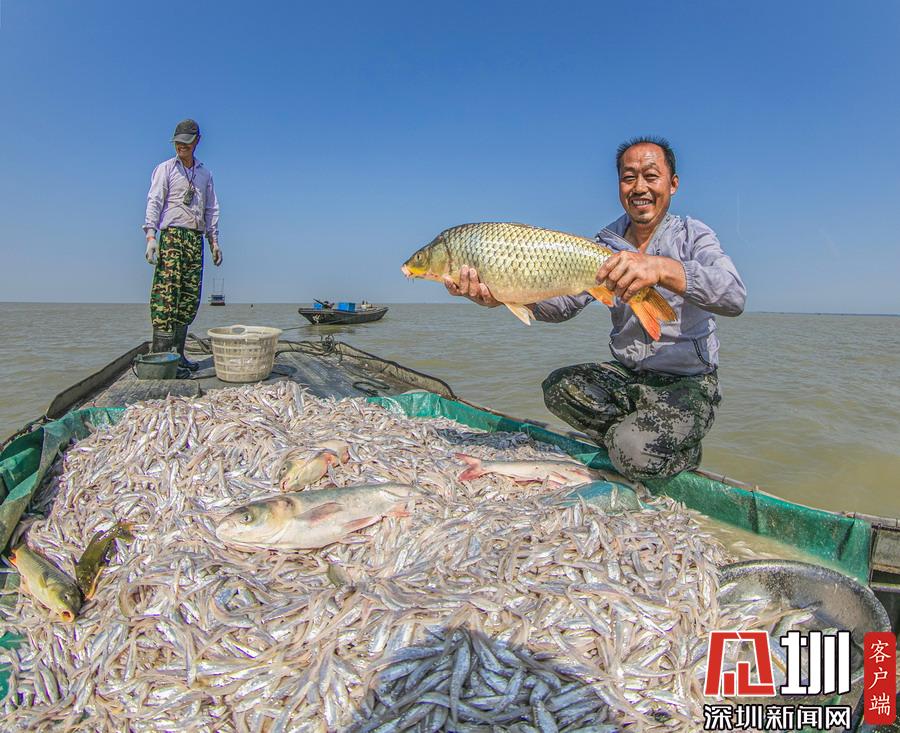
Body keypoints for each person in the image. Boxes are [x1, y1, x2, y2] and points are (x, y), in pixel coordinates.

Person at [444, 136, 746, 480]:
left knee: (633, 453)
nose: (640, 187)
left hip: (688, 383)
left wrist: (662, 269)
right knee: (559, 388)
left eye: (651, 176)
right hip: (629, 375)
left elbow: (733, 295)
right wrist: (502, 294)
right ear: (619, 186)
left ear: (672, 184)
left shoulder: (693, 235)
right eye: (629, 178)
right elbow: (563, 306)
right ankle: (638, 439)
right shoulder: (605, 244)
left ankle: (666, 449)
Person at [143, 119, 222, 370]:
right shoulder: (165, 169)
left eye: (186, 143)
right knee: (166, 297)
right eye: (178, 143)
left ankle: (178, 356)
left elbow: (211, 209)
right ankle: (162, 357)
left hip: (195, 239)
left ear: (197, 141)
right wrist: (151, 236)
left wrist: (214, 241)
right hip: (172, 237)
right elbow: (155, 201)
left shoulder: (205, 174)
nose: (182, 147)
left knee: (188, 298)